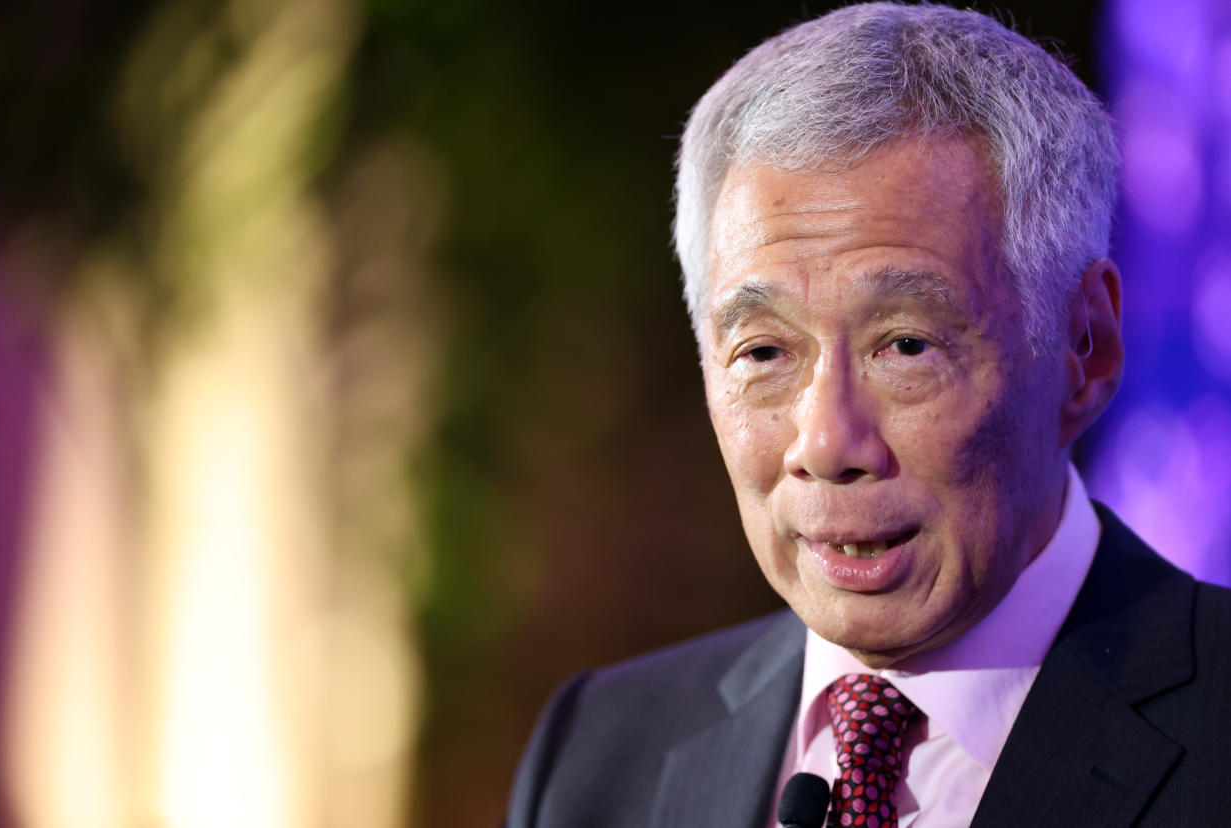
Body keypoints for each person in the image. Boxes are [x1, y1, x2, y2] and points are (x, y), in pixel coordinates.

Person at [505, 4, 1231, 827]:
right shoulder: (598, 751)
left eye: (907, 346)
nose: (826, 444)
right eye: (764, 353)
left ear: (1084, 348)